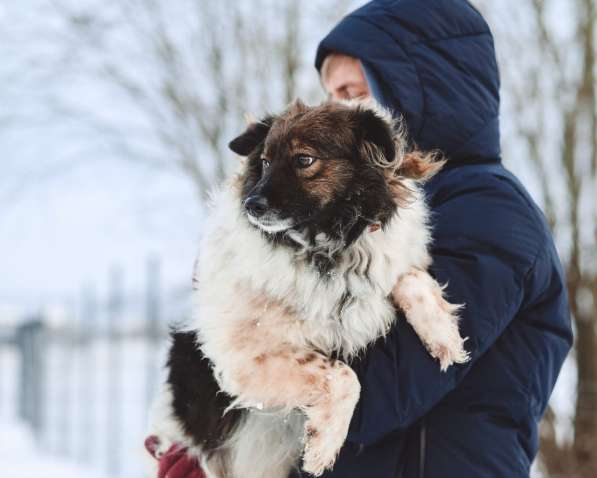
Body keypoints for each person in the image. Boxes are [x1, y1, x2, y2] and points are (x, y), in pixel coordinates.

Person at [147, 1, 572, 477]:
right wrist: (199, 435)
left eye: (353, 91)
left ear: (419, 85)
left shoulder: (487, 211)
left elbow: (386, 384)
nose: (339, 109)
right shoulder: (376, 215)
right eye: (331, 93)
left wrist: (231, 405)